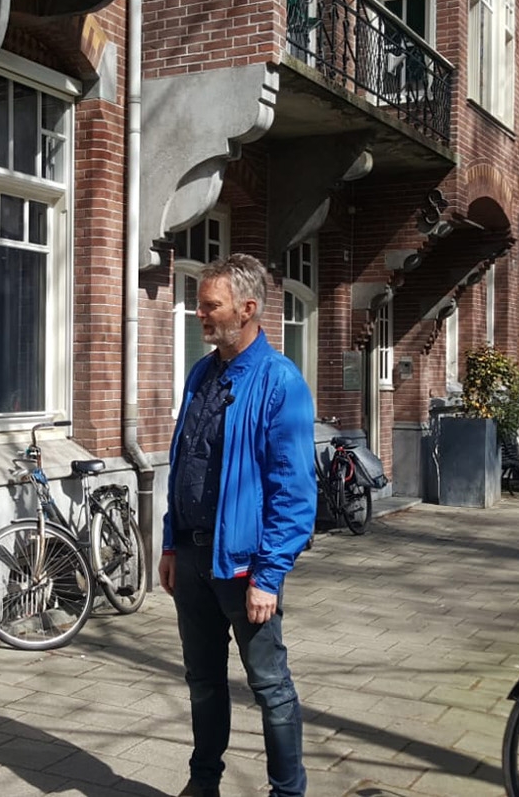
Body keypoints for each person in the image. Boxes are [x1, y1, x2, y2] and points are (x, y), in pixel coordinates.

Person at [158, 253, 316, 797]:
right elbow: (185, 462)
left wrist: (269, 575)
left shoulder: (280, 382)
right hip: (193, 557)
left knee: (270, 685)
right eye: (200, 305)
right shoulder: (202, 373)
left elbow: (294, 491)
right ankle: (203, 783)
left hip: (244, 566)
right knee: (202, 682)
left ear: (247, 309)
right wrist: (171, 543)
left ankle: (287, 792)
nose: (200, 314)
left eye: (210, 305)